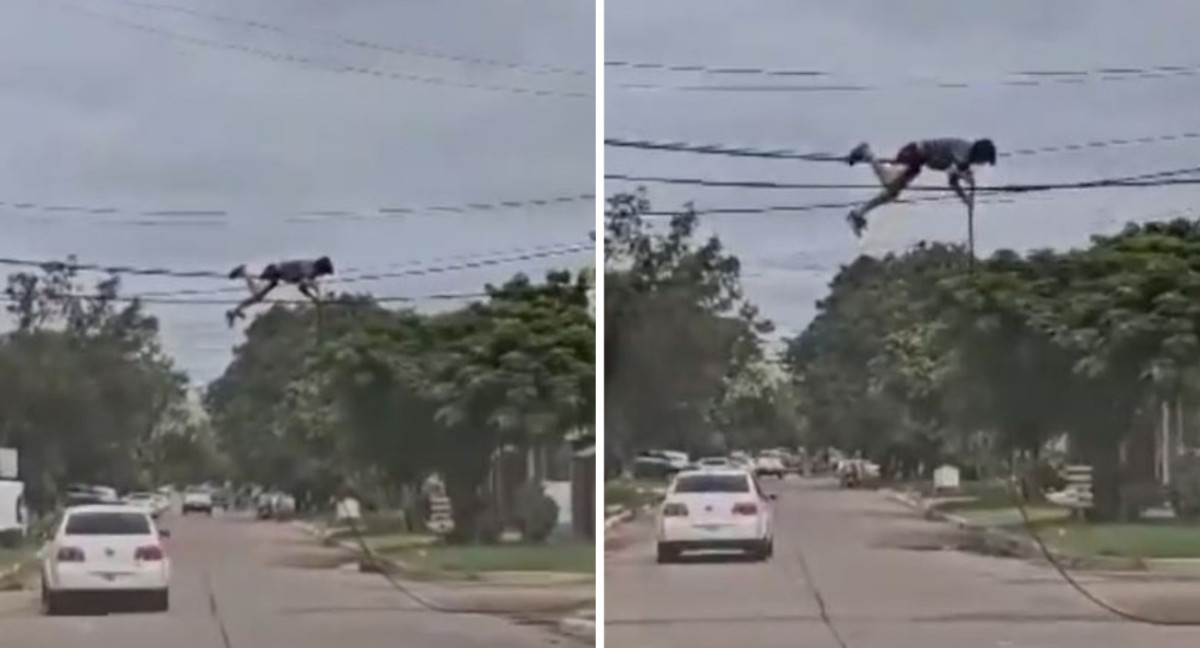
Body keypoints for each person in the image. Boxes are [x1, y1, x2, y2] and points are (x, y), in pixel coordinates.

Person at [844, 138, 997, 237]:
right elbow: (955, 169)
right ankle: (867, 152)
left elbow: (952, 181)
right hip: (914, 154)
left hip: (918, 162)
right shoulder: (963, 150)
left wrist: (965, 200)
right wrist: (968, 178)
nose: (981, 164)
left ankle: (858, 213)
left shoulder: (965, 160)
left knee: (891, 193)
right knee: (889, 183)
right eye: (983, 160)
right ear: (980, 153)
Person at [225, 256, 334, 327]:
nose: (323, 275)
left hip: (277, 276)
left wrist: (313, 295)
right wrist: (314, 292)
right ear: (321, 268)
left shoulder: (311, 270)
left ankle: (235, 311)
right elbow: (303, 285)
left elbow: (304, 286)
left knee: (258, 297)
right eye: (324, 273)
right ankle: (243, 272)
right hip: (274, 272)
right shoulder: (309, 268)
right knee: (257, 294)